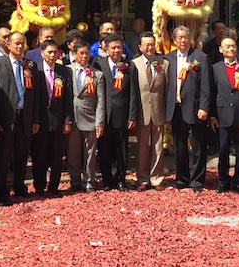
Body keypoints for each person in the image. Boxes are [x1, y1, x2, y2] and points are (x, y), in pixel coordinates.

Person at [0, 31, 42, 203]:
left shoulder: (31, 66)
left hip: (24, 118)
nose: (19, 46)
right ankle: (1, 191)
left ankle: (19, 187)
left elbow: (36, 96)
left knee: (22, 156)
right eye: (16, 43)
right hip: (5, 119)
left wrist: (35, 119)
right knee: (3, 157)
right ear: (8, 45)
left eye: (22, 43)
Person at [165, 26, 211, 192]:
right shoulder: (168, 59)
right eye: (180, 38)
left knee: (198, 145)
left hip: (195, 107)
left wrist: (204, 107)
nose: (183, 40)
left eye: (186, 37)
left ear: (190, 38)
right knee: (179, 146)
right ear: (174, 40)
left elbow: (206, 85)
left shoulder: (200, 57)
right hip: (176, 108)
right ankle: (182, 179)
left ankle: (197, 180)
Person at [210, 38, 239, 195]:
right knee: (222, 151)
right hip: (222, 116)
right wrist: (212, 116)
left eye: (233, 46)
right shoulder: (215, 68)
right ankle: (223, 180)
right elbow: (212, 93)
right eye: (227, 46)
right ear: (220, 49)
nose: (231, 49)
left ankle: (238, 181)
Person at [94, 34, 138, 191]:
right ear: (106, 49)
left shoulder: (129, 66)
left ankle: (120, 180)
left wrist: (132, 115)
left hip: (122, 114)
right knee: (105, 149)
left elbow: (134, 92)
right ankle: (107, 180)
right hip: (105, 114)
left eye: (119, 47)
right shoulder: (98, 65)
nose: (116, 50)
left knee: (122, 149)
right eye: (113, 48)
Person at [31, 39, 73, 195]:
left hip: (58, 119)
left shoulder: (64, 71)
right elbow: (33, 98)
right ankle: (40, 186)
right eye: (49, 52)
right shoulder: (36, 71)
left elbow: (68, 98)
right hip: (40, 120)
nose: (52, 55)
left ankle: (54, 187)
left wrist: (67, 119)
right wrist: (34, 120)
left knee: (56, 156)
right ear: (42, 53)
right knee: (39, 155)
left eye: (55, 52)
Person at [65, 41, 104, 192]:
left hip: (90, 118)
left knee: (90, 154)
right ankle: (74, 180)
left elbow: (100, 101)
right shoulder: (67, 71)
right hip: (72, 118)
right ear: (74, 55)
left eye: (86, 53)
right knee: (72, 152)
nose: (84, 56)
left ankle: (89, 181)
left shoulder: (96, 74)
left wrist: (99, 123)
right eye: (80, 53)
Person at [131, 32, 168, 191]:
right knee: (142, 147)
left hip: (158, 110)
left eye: (152, 44)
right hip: (141, 112)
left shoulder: (163, 63)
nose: (150, 47)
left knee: (158, 146)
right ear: (140, 47)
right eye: (146, 44)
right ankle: (143, 178)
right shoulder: (134, 64)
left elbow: (167, 90)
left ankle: (157, 178)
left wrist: (167, 111)